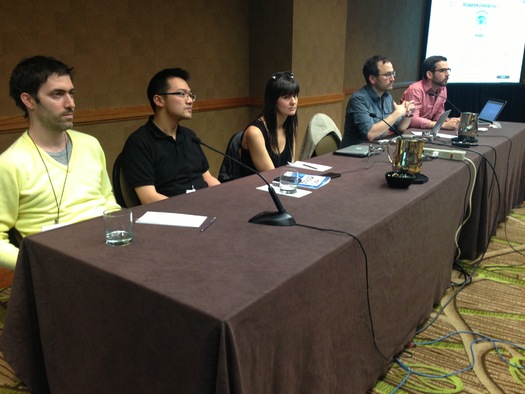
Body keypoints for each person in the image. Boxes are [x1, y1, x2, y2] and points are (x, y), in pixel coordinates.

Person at [0, 56, 119, 270]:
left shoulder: (90, 144)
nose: (70, 103)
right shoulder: (10, 164)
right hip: (58, 266)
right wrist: (35, 266)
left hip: (109, 253)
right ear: (29, 100)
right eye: (57, 94)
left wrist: (119, 232)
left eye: (71, 93)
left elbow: (108, 198)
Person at [120, 68, 220, 205]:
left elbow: (208, 178)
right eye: (182, 94)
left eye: (191, 95)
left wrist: (224, 198)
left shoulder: (190, 136)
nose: (190, 101)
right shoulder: (139, 142)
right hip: (171, 215)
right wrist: (191, 209)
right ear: (158, 100)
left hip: (205, 206)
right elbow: (148, 197)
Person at [341, 55, 415, 148]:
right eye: (387, 75)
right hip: (354, 152)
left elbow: (399, 128)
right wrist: (397, 113)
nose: (392, 78)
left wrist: (408, 114)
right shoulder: (358, 99)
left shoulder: (387, 97)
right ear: (372, 79)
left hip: (376, 149)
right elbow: (370, 134)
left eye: (393, 74)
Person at [239, 71, 298, 176]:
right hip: (255, 189)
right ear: (273, 100)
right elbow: (272, 176)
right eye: (286, 97)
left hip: (282, 186)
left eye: (295, 96)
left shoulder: (290, 125)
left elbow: (291, 168)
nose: (293, 102)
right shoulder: (255, 133)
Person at [400, 55, 459, 130]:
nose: (447, 74)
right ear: (429, 75)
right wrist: (442, 125)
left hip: (425, 131)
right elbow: (412, 120)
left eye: (448, 70)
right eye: (442, 70)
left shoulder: (442, 89)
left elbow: (438, 115)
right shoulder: (415, 90)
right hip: (408, 131)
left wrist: (450, 121)